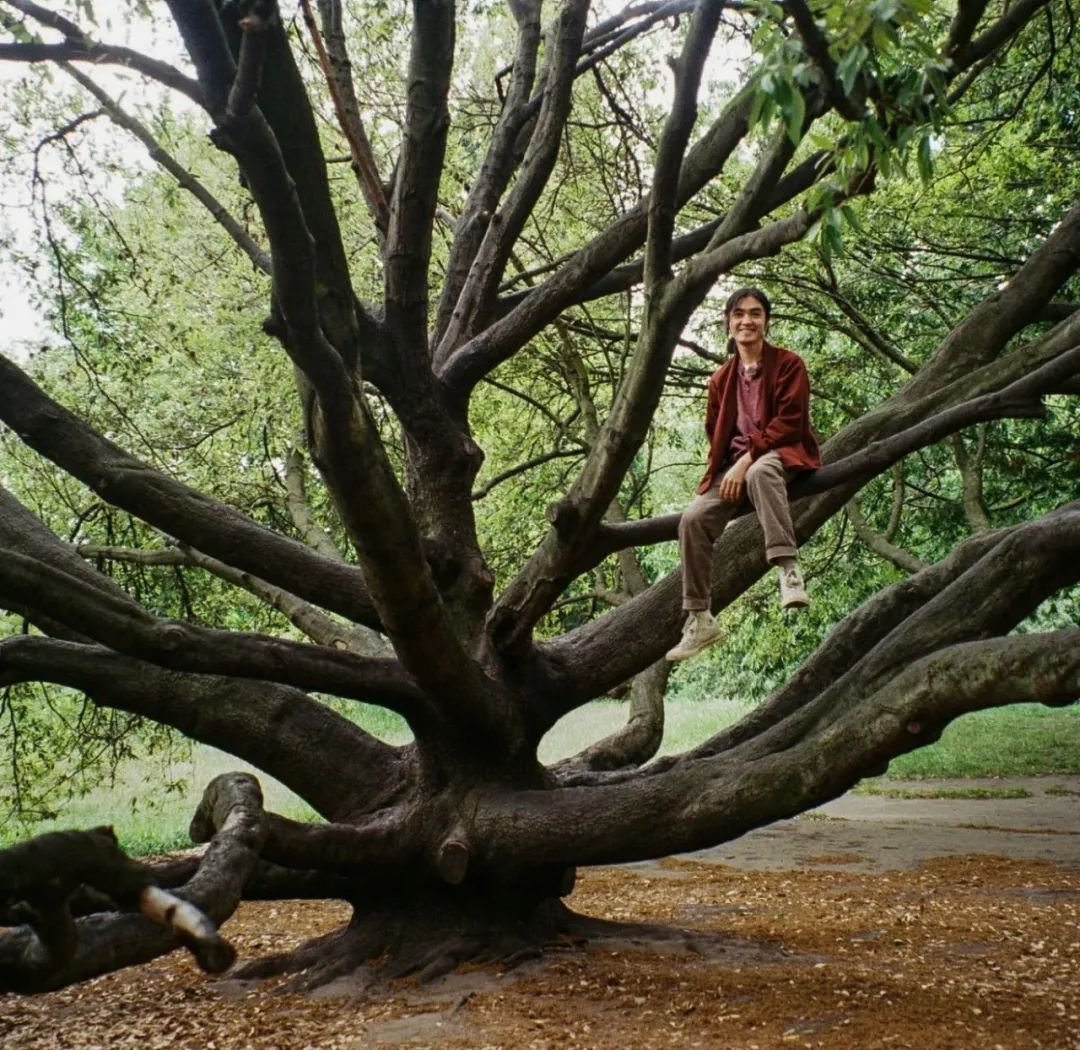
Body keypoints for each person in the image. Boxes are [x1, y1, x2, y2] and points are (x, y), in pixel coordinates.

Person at [666, 286, 821, 662]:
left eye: (755, 313)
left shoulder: (788, 364)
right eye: (738, 314)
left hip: (778, 456)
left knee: (761, 470)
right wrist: (728, 469)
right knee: (692, 520)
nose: (746, 320)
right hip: (735, 468)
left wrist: (746, 459)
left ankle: (788, 570)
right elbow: (714, 431)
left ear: (766, 321)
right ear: (728, 324)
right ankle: (700, 617)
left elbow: (789, 423)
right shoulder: (721, 379)